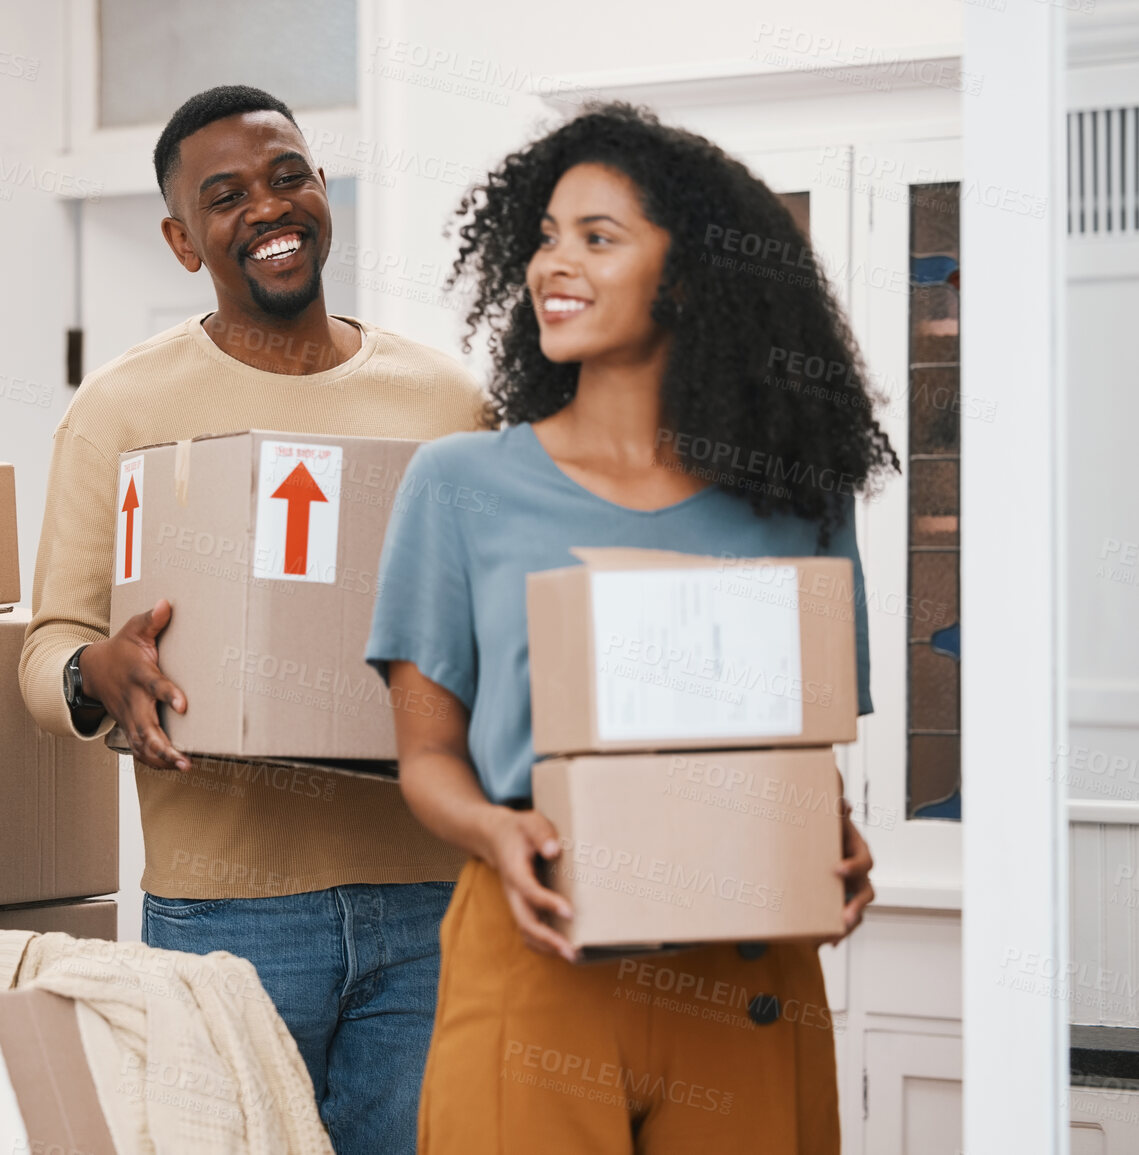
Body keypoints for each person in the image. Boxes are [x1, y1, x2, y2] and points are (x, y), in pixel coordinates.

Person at [364, 103, 893, 1154]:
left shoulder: (795, 500)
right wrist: (495, 832)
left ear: (688, 277)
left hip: (744, 967)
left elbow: (806, 761)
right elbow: (425, 756)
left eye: (598, 239)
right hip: (539, 946)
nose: (555, 263)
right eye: (547, 236)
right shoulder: (460, 485)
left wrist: (834, 846)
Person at [18, 85, 483, 1155]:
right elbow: (45, 648)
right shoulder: (122, 410)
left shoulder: (447, 402)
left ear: (324, 193)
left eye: (289, 177)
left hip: (429, 901)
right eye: (227, 196)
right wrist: (98, 673)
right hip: (227, 912)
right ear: (185, 241)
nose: (269, 209)